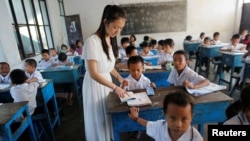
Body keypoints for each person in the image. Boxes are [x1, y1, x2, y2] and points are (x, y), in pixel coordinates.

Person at [81, 5, 128, 141]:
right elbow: (94, 73)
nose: (117, 32)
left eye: (120, 29)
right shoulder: (92, 42)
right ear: (105, 22)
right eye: (115, 27)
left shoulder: (110, 39)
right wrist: (115, 87)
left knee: (106, 117)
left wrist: (119, 78)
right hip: (94, 85)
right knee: (97, 119)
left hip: (106, 83)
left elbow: (107, 66)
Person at [128, 90, 203, 141]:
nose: (178, 125)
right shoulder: (160, 127)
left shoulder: (195, 138)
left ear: (191, 117)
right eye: (173, 118)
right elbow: (148, 124)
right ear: (165, 114)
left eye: (184, 119)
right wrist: (136, 118)